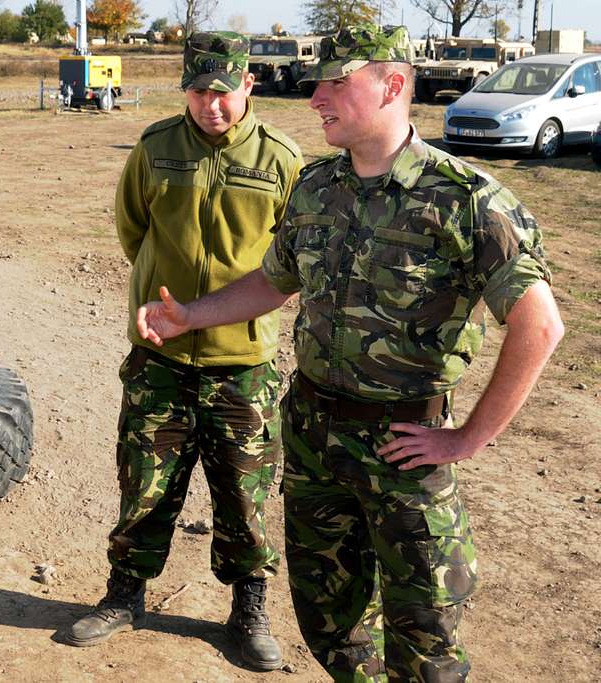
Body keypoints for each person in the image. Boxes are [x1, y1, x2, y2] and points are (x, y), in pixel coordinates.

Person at [136, 23, 564, 682]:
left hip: (403, 449)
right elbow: (273, 279)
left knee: (425, 639)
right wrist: (191, 313)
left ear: (393, 84)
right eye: (321, 82)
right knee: (327, 619)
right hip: (313, 440)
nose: (316, 97)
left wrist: (466, 439)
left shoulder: (466, 200)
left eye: (338, 81)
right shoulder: (316, 187)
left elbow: (539, 326)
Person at [62, 31, 304, 671]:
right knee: (144, 484)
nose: (210, 105)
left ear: (248, 84)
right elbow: (132, 227)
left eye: (222, 91)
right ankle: (124, 595)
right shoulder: (155, 146)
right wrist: (156, 294)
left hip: (242, 363)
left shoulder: (283, 160)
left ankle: (248, 608)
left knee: (244, 495)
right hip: (160, 357)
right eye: (198, 91)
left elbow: (292, 261)